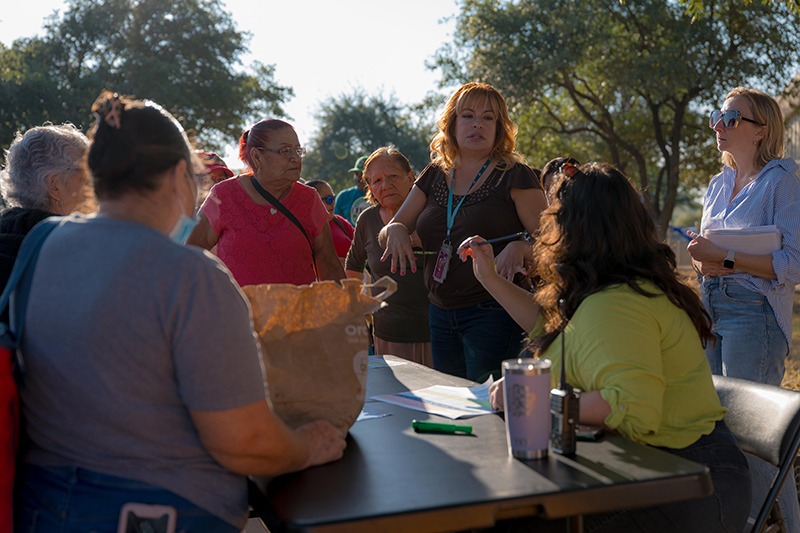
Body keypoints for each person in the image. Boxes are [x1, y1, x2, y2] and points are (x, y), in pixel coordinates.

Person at [14, 92, 346, 533]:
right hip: (160, 513)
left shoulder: (41, 244)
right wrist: (308, 447)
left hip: (42, 508)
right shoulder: (192, 277)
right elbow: (245, 443)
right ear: (177, 176)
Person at [463, 162, 751, 532]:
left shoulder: (617, 303)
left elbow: (633, 406)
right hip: (656, 469)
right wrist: (488, 277)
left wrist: (532, 399)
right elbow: (551, 328)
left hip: (690, 486)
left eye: (554, 217)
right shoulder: (604, 291)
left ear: (573, 229)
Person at [379, 82, 547, 382]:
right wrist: (394, 230)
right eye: (468, 115)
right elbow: (392, 229)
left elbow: (554, 245)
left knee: (487, 407)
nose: (477, 124)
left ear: (500, 127)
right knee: (453, 405)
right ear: (452, 124)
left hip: (494, 312)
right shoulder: (434, 173)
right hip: (440, 312)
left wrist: (522, 248)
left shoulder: (515, 174)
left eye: (488, 118)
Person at [687, 87, 800, 387]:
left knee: (746, 424)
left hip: (753, 312)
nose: (718, 125)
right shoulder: (716, 185)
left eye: (732, 118)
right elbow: (706, 257)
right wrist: (701, 261)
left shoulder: (782, 182)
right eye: (718, 116)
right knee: (712, 417)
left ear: (760, 132)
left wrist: (725, 259)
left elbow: (794, 264)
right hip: (709, 307)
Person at [187, 119, 345, 286]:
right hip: (239, 311)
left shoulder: (309, 199)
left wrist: (347, 306)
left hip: (299, 311)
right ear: (257, 156)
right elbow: (190, 255)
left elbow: (330, 265)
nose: (295, 158)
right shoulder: (224, 196)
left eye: (298, 150)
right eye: (285, 151)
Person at [345, 146, 432, 365]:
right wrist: (359, 313)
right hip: (388, 336)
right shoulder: (367, 220)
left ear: (411, 178)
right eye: (377, 181)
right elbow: (353, 265)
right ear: (370, 189)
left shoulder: (431, 214)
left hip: (436, 333)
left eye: (393, 176)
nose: (386, 185)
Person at [0, 123, 95, 292]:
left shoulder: (8, 239)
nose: (94, 187)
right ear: (55, 186)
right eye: (86, 175)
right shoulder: (68, 256)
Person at [306, 179, 354, 264]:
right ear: (312, 202)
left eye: (333, 198)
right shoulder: (304, 230)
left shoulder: (339, 221)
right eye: (328, 199)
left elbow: (362, 247)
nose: (332, 203)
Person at [334, 154, 371, 224]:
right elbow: (336, 224)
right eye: (356, 174)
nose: (358, 178)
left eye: (363, 175)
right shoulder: (343, 196)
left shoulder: (380, 195)